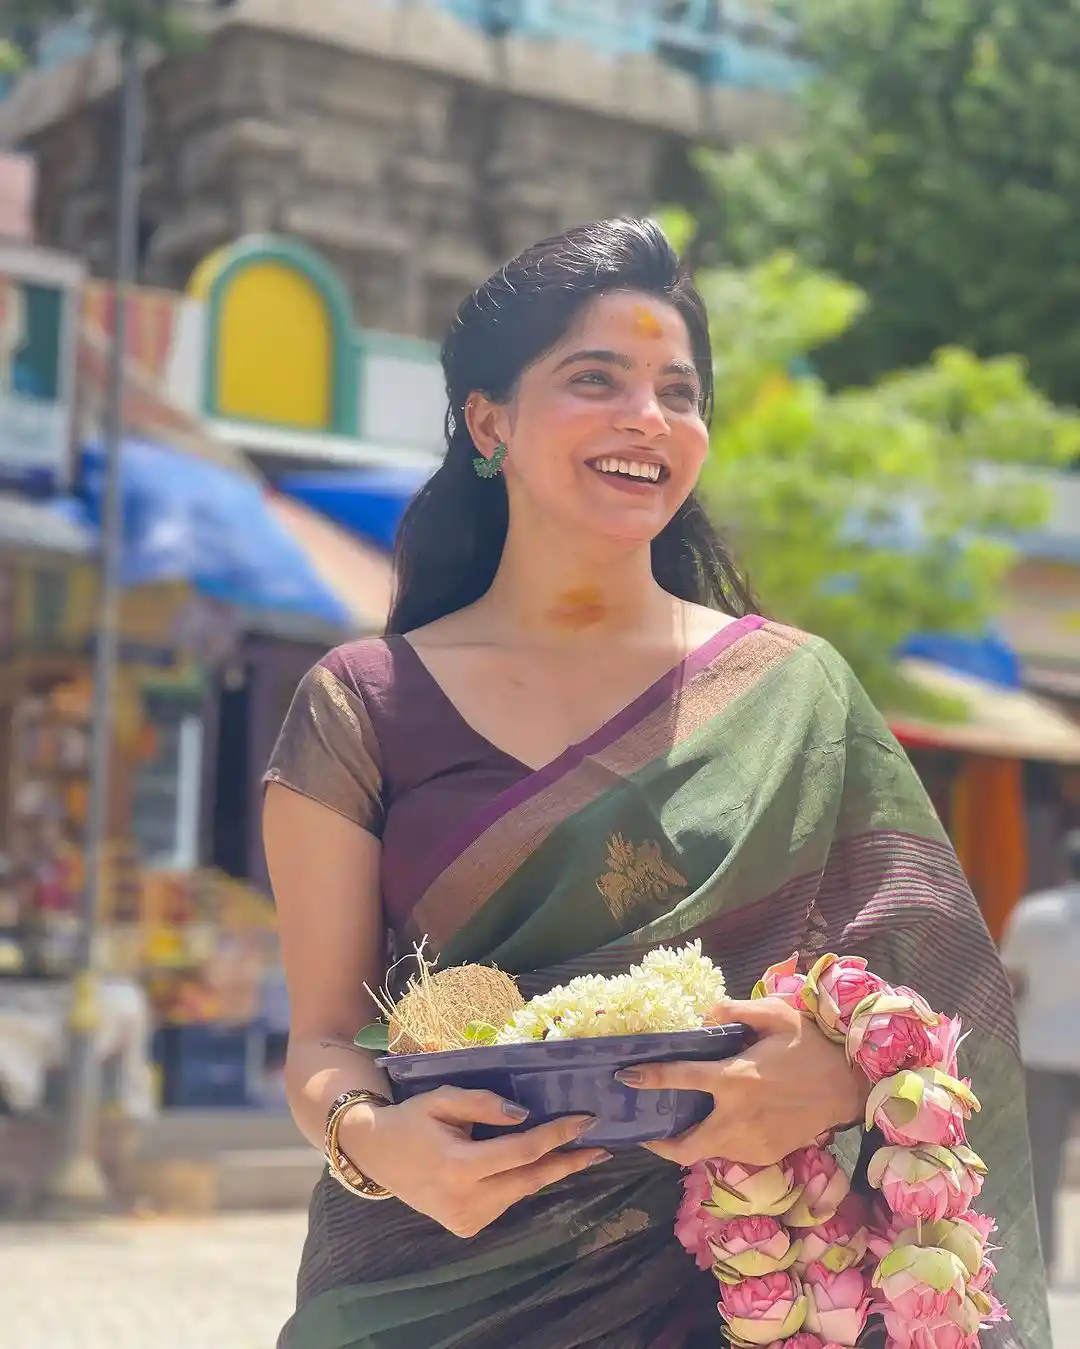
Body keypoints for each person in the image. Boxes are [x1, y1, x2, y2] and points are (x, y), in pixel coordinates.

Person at [263, 218, 1048, 1349]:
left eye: (680, 392)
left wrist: (835, 1075)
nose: (649, 418)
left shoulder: (794, 694)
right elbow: (325, 1039)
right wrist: (375, 1142)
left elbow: (940, 994)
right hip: (424, 1286)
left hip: (728, 1286)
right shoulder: (364, 704)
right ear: (489, 420)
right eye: (598, 379)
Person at [1000, 827, 1080, 1281]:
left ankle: (1044, 1259)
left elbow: (1009, 979)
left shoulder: (1035, 913)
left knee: (1044, 1162)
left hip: (1044, 1051)